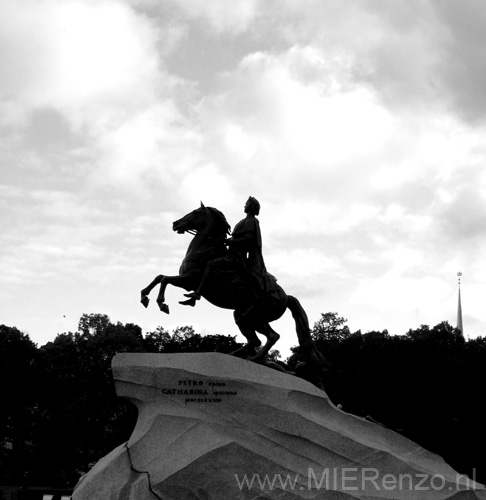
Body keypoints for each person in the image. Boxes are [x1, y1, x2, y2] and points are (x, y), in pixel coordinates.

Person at [181, 196, 268, 306]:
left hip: (238, 256)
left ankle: (198, 293)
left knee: (212, 264)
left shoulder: (251, 221)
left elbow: (249, 240)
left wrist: (231, 242)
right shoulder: (244, 221)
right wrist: (228, 240)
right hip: (232, 253)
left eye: (246, 204)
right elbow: (237, 238)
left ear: (250, 207)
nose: (245, 206)